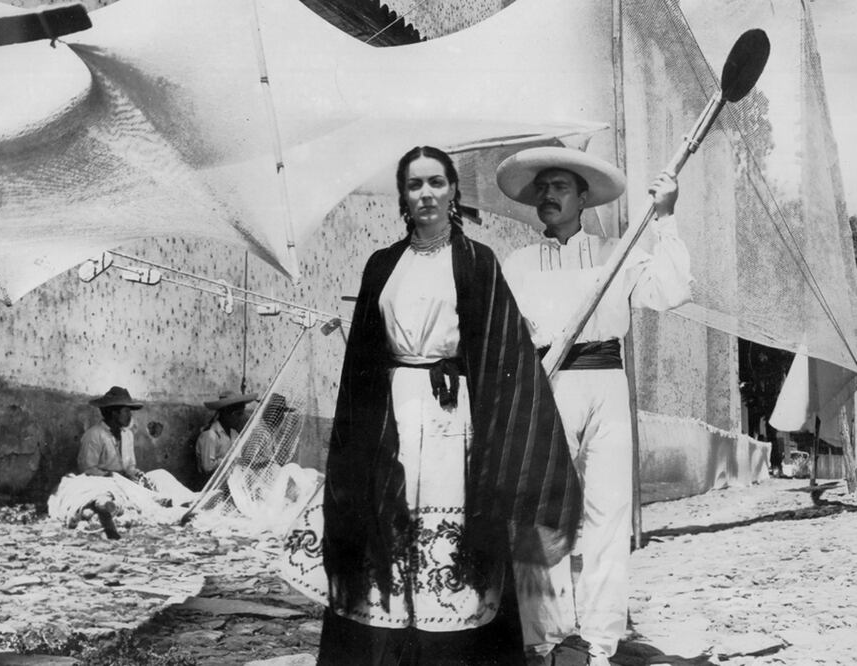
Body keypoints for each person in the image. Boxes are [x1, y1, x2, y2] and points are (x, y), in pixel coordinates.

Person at [317, 145, 582, 666]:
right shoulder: (381, 265)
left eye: (436, 183)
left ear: (453, 191)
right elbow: (362, 365)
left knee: (451, 539)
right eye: (414, 185)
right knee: (389, 536)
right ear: (403, 196)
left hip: (451, 421)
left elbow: (507, 357)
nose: (426, 194)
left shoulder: (478, 261)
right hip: (391, 418)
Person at [495, 146, 693, 666]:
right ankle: (544, 642)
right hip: (547, 385)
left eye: (560, 187)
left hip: (605, 383)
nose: (548, 197)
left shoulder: (616, 251)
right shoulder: (517, 264)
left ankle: (600, 643)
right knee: (541, 515)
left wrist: (666, 218)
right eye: (542, 189)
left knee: (608, 516)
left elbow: (673, 291)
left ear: (584, 197)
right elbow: (501, 338)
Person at [48, 386, 196, 538]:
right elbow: (87, 468)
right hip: (104, 481)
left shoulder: (128, 434)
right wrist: (113, 474)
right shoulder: (94, 435)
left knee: (160, 474)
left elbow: (130, 466)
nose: (130, 415)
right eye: (126, 411)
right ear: (114, 413)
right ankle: (162, 503)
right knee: (119, 481)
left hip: (125, 480)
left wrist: (136, 474)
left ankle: (190, 498)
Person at [196, 390, 260, 476]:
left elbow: (239, 459)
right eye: (238, 414)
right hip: (210, 485)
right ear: (225, 413)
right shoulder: (210, 435)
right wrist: (231, 462)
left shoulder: (234, 434)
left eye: (241, 414)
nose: (240, 418)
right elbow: (207, 468)